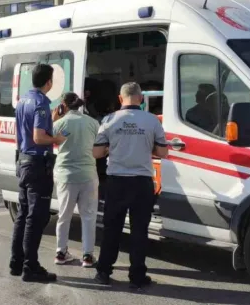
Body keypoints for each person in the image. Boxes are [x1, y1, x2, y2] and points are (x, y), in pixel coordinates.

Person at [93, 82, 168, 289]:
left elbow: (97, 153)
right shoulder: (152, 121)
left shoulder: (109, 120)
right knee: (139, 230)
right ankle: (137, 276)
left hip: (116, 181)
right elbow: (163, 153)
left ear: (120, 98)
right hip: (142, 182)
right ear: (141, 98)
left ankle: (103, 272)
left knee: (111, 229)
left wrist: (112, 148)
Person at [10, 63, 66, 283]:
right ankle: (30, 267)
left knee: (23, 215)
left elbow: (29, 130)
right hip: (37, 164)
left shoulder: (23, 99)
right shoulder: (42, 102)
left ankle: (16, 262)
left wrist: (51, 118)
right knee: (37, 216)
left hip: (23, 161)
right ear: (49, 82)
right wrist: (57, 139)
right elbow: (39, 137)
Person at [51, 92, 100, 267]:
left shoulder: (59, 123)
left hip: (66, 176)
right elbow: (97, 145)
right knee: (88, 216)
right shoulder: (93, 123)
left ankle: (61, 253)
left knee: (64, 216)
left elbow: (47, 138)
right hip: (88, 175)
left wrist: (55, 117)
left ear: (63, 104)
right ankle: (87, 256)